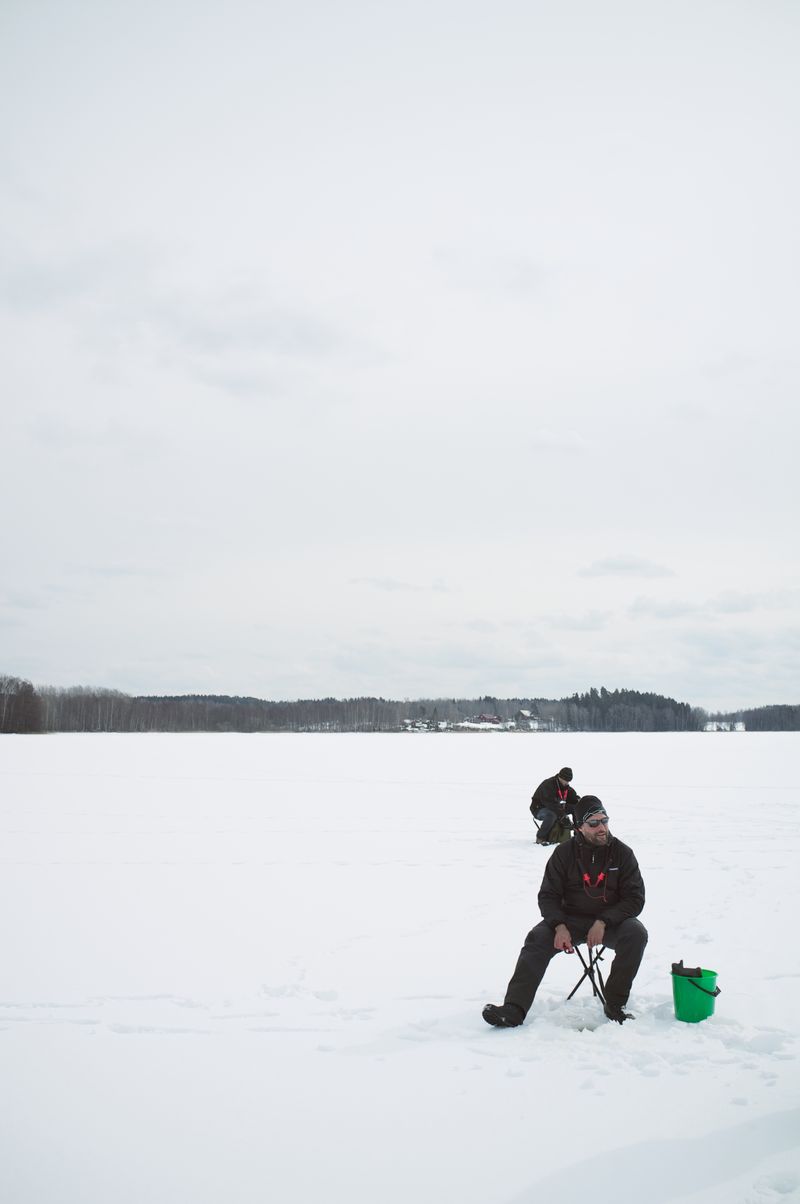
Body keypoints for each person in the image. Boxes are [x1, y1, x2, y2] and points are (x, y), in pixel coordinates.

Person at [483, 797, 647, 1025]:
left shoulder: (623, 853)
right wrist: (559, 926)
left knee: (636, 934)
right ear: (579, 826)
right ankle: (514, 1009)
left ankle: (615, 1004)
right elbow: (547, 896)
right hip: (569, 921)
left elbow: (635, 899)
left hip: (610, 923)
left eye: (605, 821)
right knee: (537, 938)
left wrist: (603, 921)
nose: (601, 828)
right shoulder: (563, 853)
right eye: (593, 823)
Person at [530, 766, 580, 844]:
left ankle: (578, 835)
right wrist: (563, 816)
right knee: (552, 815)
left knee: (575, 808)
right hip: (539, 809)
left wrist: (579, 801)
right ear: (560, 777)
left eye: (568, 781)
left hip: (557, 808)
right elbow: (550, 803)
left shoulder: (565, 787)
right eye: (565, 780)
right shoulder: (548, 784)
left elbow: (573, 798)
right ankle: (540, 838)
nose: (566, 783)